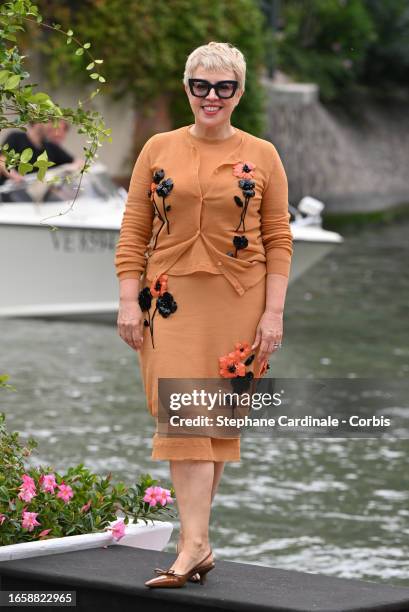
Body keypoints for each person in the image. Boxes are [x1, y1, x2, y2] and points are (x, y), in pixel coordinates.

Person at [115, 41, 293, 588]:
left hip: (241, 303)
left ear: (239, 92)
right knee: (185, 417)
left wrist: (273, 315)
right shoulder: (157, 147)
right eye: (200, 86)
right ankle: (196, 542)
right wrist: (126, 298)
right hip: (166, 301)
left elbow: (279, 237)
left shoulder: (262, 154)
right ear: (187, 88)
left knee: (209, 423)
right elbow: (134, 230)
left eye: (223, 87)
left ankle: (195, 543)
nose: (211, 96)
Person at [0, 120, 83, 187]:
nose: (51, 125)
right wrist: (17, 177)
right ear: (37, 121)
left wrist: (69, 168)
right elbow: (2, 161)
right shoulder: (16, 138)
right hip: (10, 193)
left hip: (37, 199)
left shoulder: (50, 147)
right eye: (48, 121)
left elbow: (78, 162)